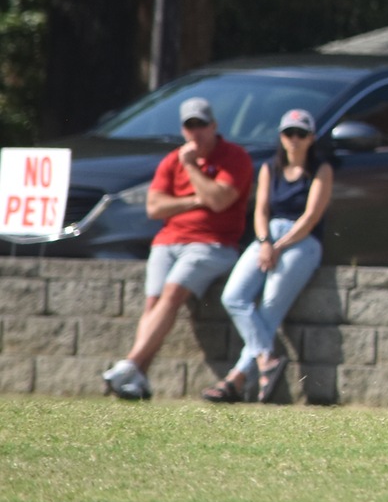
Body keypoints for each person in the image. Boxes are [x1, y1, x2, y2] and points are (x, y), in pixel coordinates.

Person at [102, 96, 255, 400]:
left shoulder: (234, 157)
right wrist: (194, 200)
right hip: (169, 240)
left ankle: (130, 364)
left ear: (214, 126)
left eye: (201, 125)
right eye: (190, 127)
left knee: (172, 294)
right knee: (153, 302)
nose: (195, 133)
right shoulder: (173, 160)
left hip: (212, 244)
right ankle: (138, 378)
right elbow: (154, 207)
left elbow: (219, 200)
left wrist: (192, 169)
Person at [209, 109, 336, 403]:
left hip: (303, 241)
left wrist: (279, 246)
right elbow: (261, 210)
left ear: (311, 138)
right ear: (280, 137)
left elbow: (311, 217)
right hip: (269, 235)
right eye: (288, 133)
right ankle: (266, 358)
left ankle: (236, 378)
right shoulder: (270, 168)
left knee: (269, 305)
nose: (294, 140)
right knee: (234, 297)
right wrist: (266, 241)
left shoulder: (321, 169)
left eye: (301, 134)